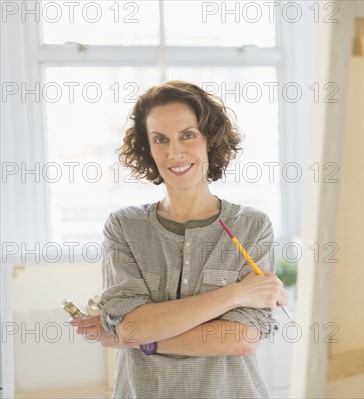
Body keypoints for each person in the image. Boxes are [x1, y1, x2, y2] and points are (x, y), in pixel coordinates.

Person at [70, 80, 288, 398]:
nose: (175, 152)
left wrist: (137, 337)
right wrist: (237, 294)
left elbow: (241, 339)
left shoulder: (252, 227)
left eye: (188, 135)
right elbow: (131, 326)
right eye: (160, 139)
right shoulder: (124, 227)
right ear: (147, 148)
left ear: (209, 140)